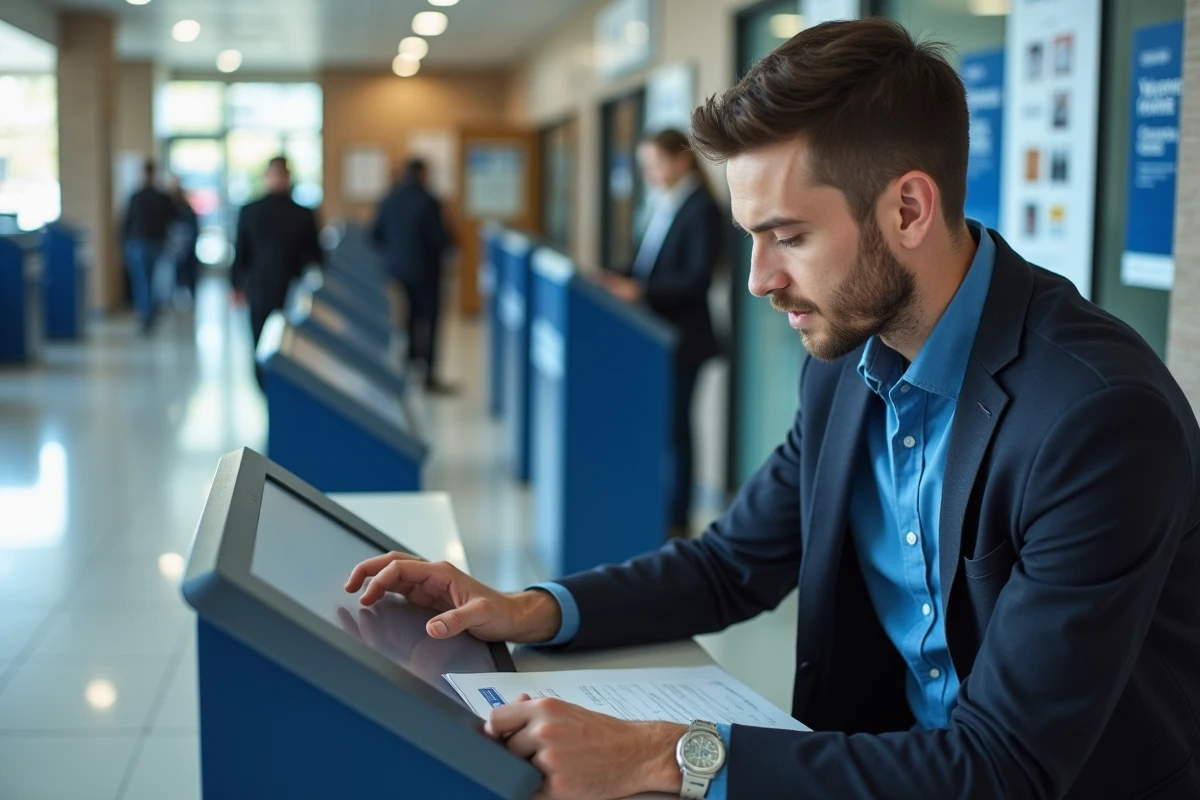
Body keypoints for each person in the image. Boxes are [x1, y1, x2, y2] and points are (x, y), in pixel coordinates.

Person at [345, 19, 1200, 800]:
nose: (759, 280)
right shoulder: (846, 361)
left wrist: (663, 755)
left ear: (908, 209)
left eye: (789, 236)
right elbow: (731, 564)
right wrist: (525, 608)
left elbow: (1005, 767)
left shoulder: (1097, 420)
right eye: (752, 236)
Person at [601, 129, 723, 539]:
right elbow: (647, 265)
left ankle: (678, 517)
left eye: (655, 163)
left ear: (682, 159)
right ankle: (661, 508)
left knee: (677, 431)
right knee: (664, 427)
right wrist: (610, 277)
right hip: (656, 337)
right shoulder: (664, 203)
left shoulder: (700, 208)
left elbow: (697, 279)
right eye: (645, 166)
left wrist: (639, 290)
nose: (650, 173)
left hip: (684, 339)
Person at [231, 156, 323, 385]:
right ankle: (278, 388)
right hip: (290, 288)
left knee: (262, 343)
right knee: (286, 346)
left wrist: (236, 285)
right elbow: (316, 258)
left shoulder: (250, 211)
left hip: (263, 288)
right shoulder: (302, 214)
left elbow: (241, 254)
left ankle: (265, 385)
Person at [371, 158, 456, 394]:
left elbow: (375, 235)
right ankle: (428, 375)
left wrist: (394, 252)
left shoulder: (389, 199)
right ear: (421, 174)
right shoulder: (429, 201)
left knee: (406, 319)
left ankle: (408, 365)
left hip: (397, 272)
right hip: (427, 273)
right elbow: (440, 240)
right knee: (429, 322)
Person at [121, 159, 177, 334]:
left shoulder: (142, 196)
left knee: (148, 281)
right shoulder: (155, 197)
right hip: (145, 243)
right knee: (147, 281)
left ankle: (147, 313)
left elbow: (127, 223)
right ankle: (148, 313)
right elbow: (127, 222)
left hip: (149, 243)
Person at [168, 177, 200, 307]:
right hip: (179, 245)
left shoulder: (185, 209)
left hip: (183, 245)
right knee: (181, 271)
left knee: (185, 270)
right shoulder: (172, 208)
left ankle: (186, 294)